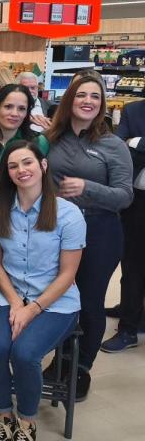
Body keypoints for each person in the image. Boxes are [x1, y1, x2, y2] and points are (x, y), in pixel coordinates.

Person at [0, 141, 85, 441]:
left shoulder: (68, 214)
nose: (20, 170)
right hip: (7, 294)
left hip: (55, 301)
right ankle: (4, 417)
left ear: (42, 166)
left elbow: (68, 273)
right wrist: (15, 302)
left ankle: (26, 422)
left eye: (27, 163)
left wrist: (32, 309)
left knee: (25, 354)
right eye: (13, 166)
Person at [44, 75, 132, 399]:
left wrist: (88, 188)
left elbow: (125, 195)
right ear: (70, 100)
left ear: (102, 104)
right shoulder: (52, 138)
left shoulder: (113, 145)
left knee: (89, 302)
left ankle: (80, 369)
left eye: (95, 96)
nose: (88, 101)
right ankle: (60, 361)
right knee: (58, 296)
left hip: (99, 230)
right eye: (81, 95)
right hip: (55, 230)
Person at [102, 98, 145, 352]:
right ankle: (129, 321)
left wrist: (138, 143)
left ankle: (134, 318)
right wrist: (132, 145)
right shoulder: (133, 109)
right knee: (131, 261)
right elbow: (119, 144)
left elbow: (131, 144)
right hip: (137, 200)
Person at [0, 84, 49, 159]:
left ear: (27, 112)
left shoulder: (39, 142)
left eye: (21, 108)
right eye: (8, 107)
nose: (14, 113)